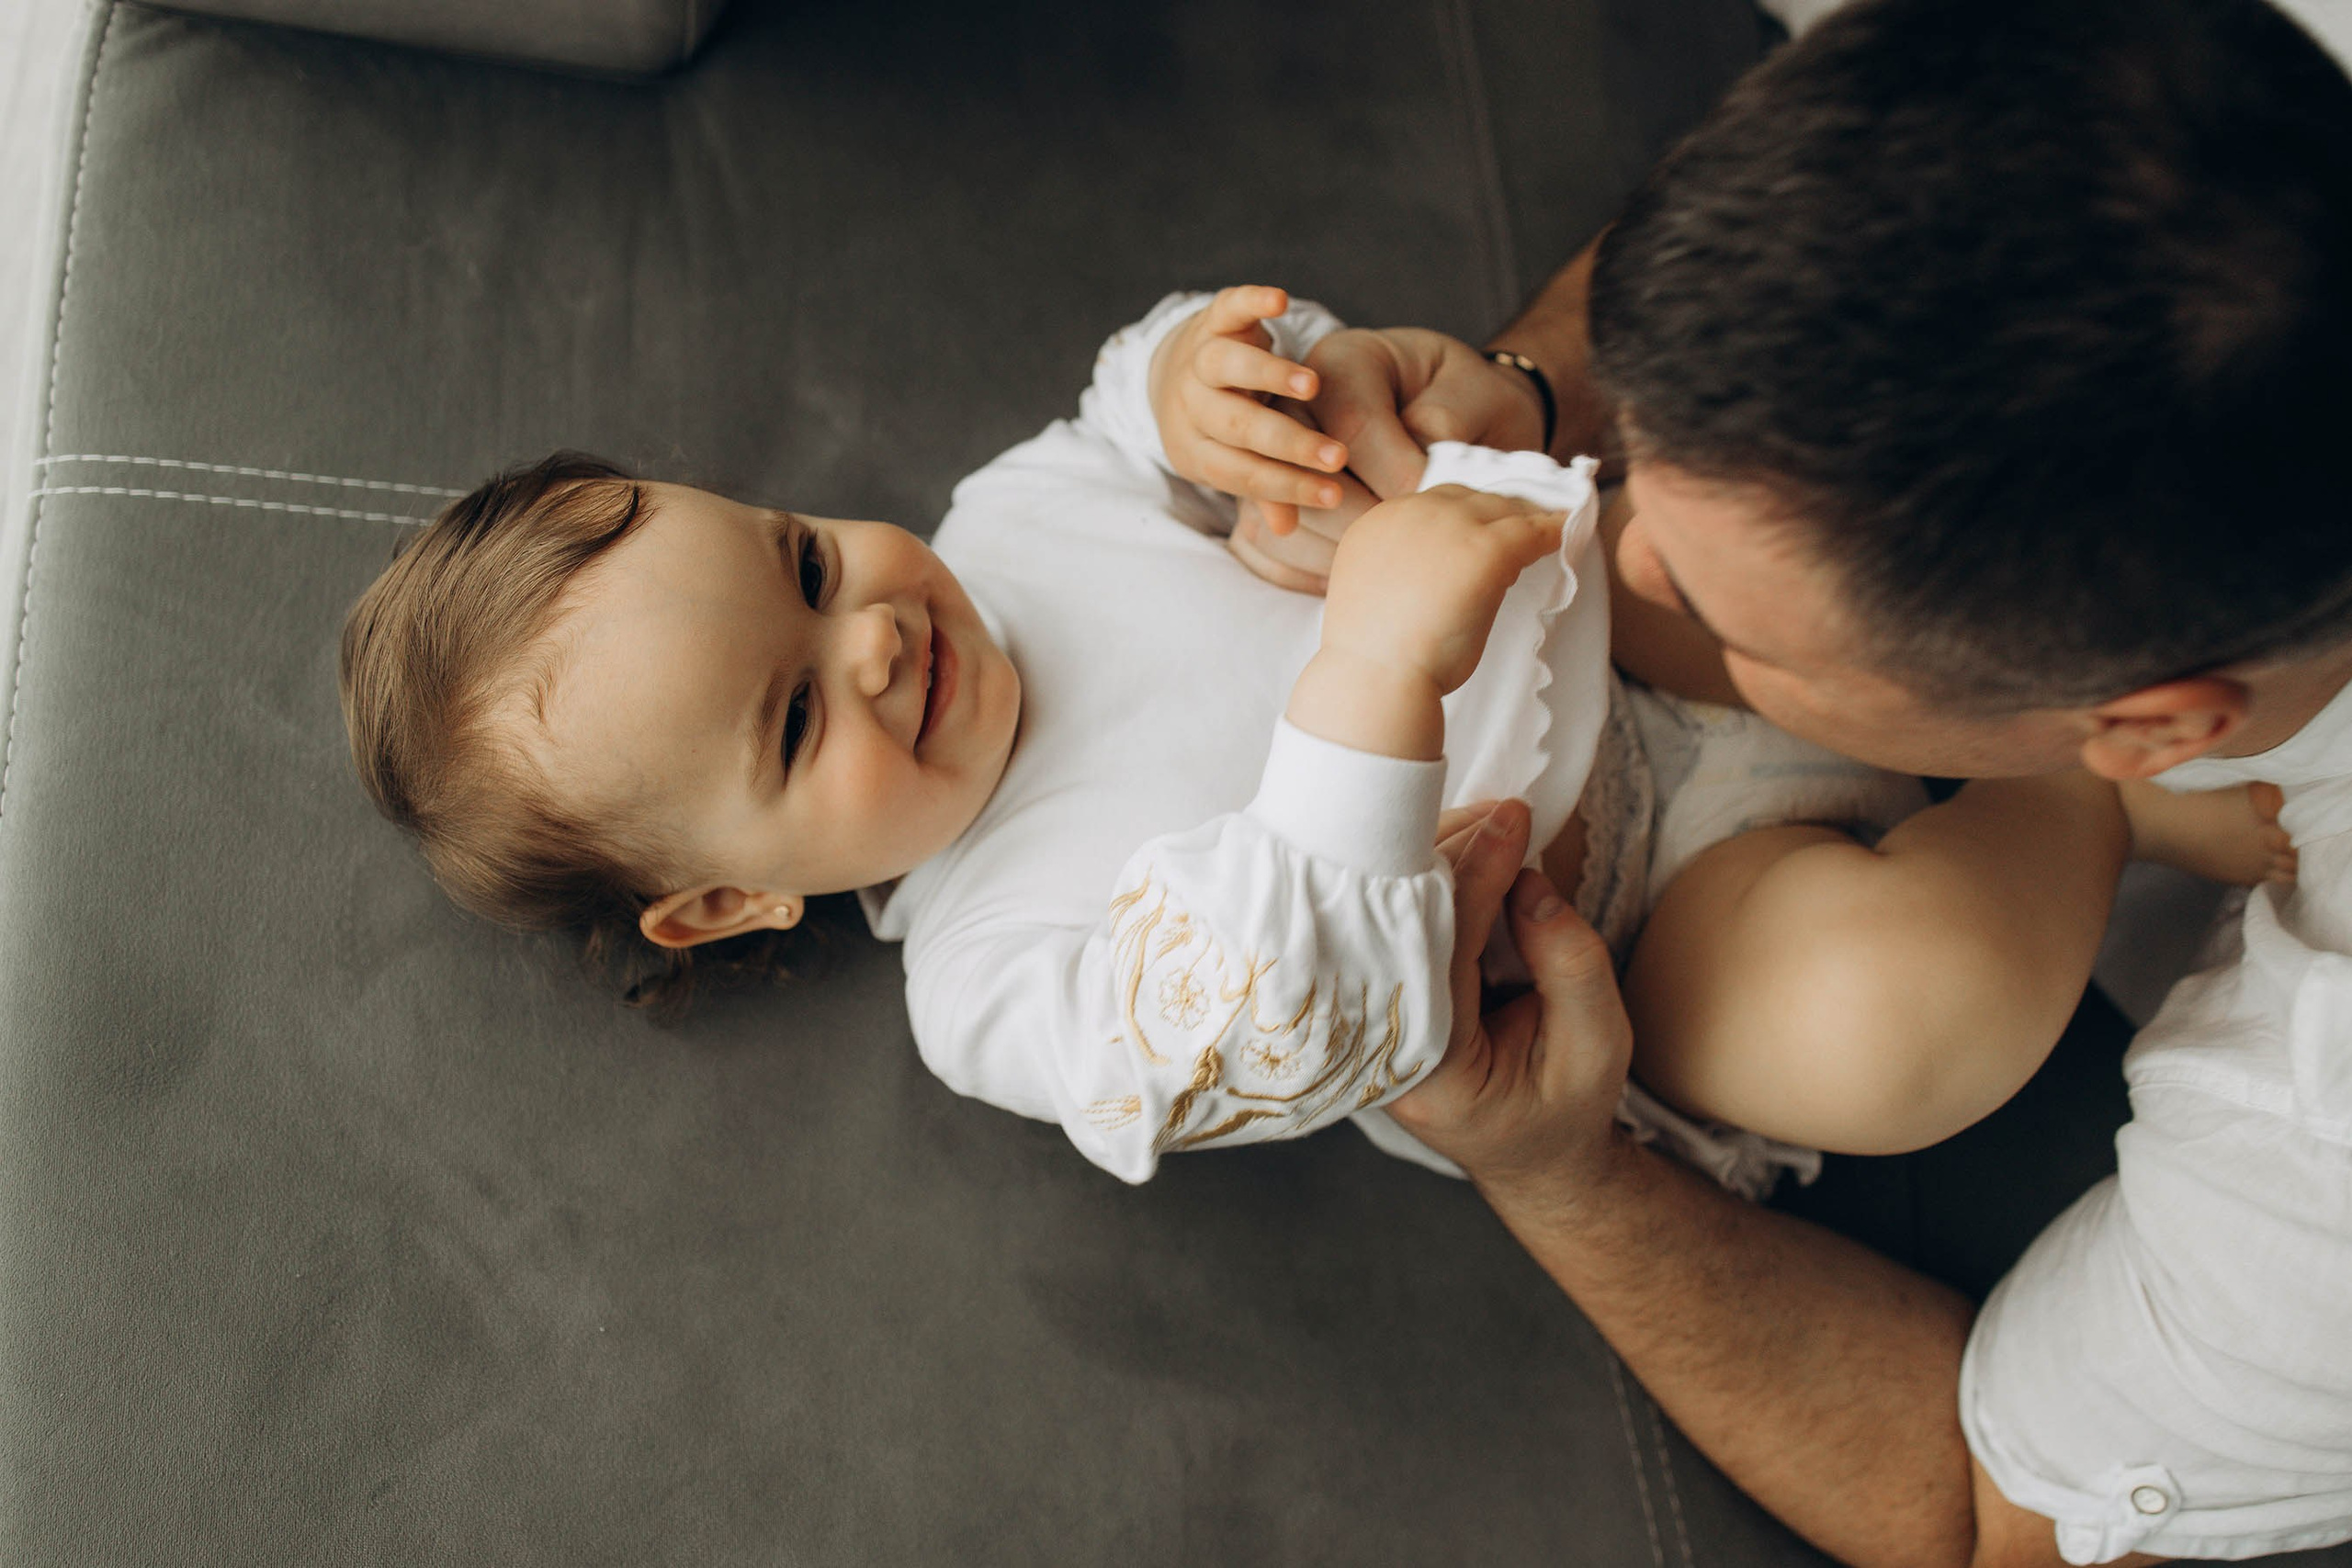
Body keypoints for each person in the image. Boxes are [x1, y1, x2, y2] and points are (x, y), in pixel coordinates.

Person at [1240, 0, 2352, 1561]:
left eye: (1714, 604)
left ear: (2142, 733)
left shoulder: (2326, 1181)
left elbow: (1990, 1528)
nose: (1609, 546)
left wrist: (1559, 1173)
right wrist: (1540, 392)